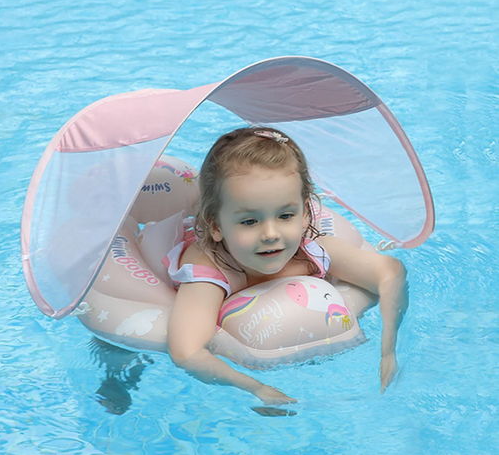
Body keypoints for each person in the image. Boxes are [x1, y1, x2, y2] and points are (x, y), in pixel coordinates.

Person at [166, 127, 408, 406]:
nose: (271, 233)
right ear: (216, 225)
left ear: (305, 215)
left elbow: (390, 272)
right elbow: (186, 351)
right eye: (249, 221)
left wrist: (388, 349)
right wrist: (255, 389)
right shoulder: (210, 268)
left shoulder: (309, 250)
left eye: (285, 215)